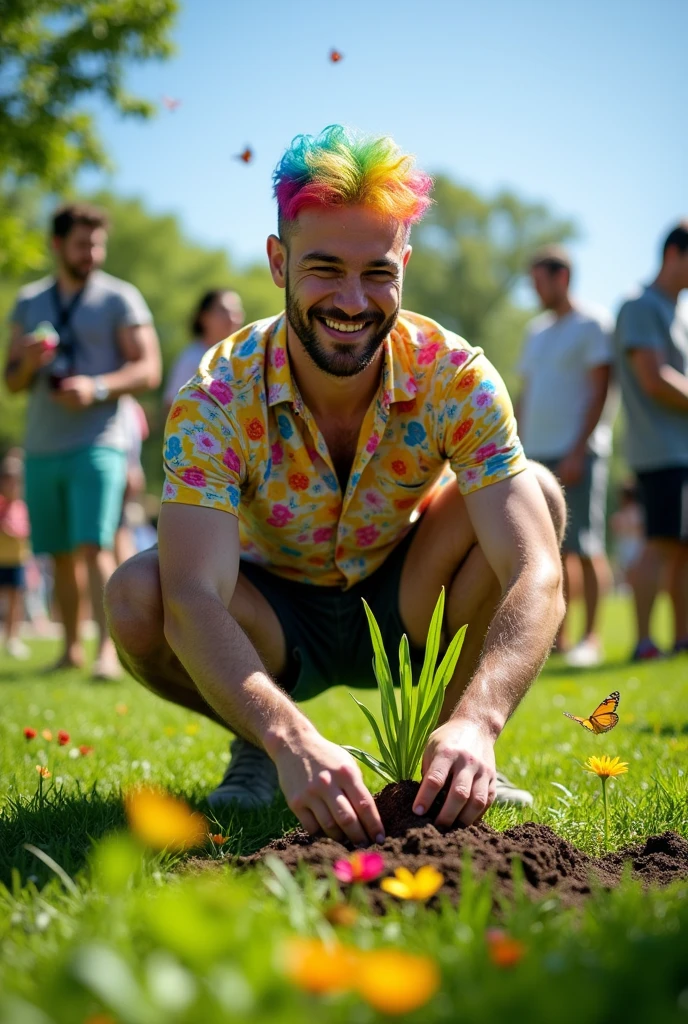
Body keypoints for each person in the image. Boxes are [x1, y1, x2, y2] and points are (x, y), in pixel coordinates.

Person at [105, 126, 565, 845]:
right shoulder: (215, 397)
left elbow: (537, 569)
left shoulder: (457, 376)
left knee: (538, 493)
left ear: (405, 266)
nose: (353, 301)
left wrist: (480, 720)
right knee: (139, 593)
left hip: (405, 594)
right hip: (271, 612)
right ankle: (259, 743)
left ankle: (458, 759)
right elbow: (193, 597)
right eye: (324, 269)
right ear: (278, 261)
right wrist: (290, 739)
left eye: (378, 272)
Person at [5, 203, 162, 679]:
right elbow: (11, 380)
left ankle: (108, 652)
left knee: (93, 543)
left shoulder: (120, 299)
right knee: (56, 550)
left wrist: (97, 387)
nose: (91, 253)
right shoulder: (30, 301)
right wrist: (30, 362)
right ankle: (71, 649)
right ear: (57, 246)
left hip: (100, 438)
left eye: (97, 244)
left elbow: (148, 368)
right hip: (43, 444)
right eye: (80, 244)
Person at [518, 246, 614, 668]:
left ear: (563, 278)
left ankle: (592, 638)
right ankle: (559, 639)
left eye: (540, 281)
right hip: (535, 454)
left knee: (586, 544)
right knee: (552, 550)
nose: (535, 290)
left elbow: (600, 390)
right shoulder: (536, 331)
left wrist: (579, 449)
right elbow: (526, 394)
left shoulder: (593, 324)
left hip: (578, 453)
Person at [614, 222, 688, 660]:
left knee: (681, 549)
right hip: (660, 452)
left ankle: (681, 639)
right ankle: (643, 641)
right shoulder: (641, 306)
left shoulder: (675, 311)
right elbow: (653, 377)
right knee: (659, 545)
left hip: (680, 450)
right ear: (674, 255)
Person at [163, 289, 245, 409]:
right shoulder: (192, 359)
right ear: (204, 317)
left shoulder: (247, 355)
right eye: (223, 311)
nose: (232, 318)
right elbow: (172, 404)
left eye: (236, 311)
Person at [0, 454, 31, 659]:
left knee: (15, 601)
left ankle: (13, 638)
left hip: (18, 561)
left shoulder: (23, 506)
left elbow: (27, 530)